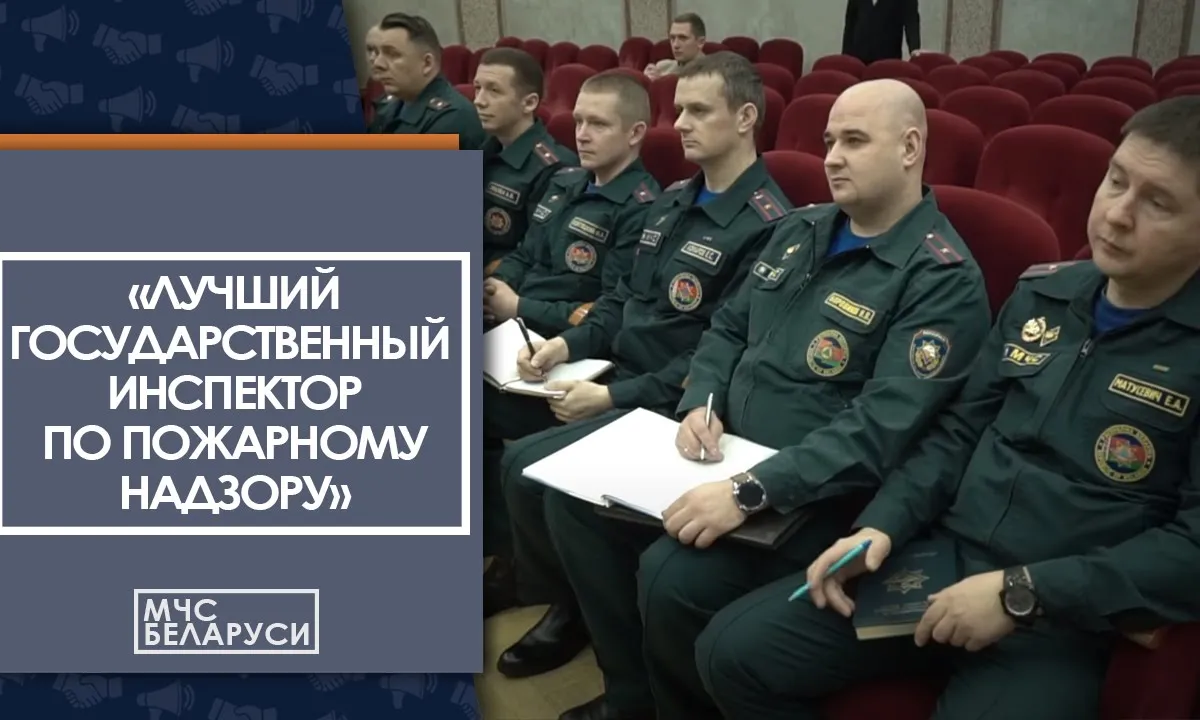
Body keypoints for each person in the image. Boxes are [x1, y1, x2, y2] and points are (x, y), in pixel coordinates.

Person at [697, 95, 1200, 720]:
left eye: (1158, 203)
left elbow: (1192, 545)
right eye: (1116, 181)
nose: (1117, 215)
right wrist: (882, 526)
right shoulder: (1045, 294)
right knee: (733, 652)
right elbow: (957, 432)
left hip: (1064, 613)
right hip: (946, 558)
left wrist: (1023, 592)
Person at [548, 78, 994, 720]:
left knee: (672, 579)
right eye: (829, 141)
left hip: (812, 493)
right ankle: (633, 697)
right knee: (575, 502)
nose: (832, 157)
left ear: (909, 148)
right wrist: (700, 400)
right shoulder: (801, 228)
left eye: (855, 141)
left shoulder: (940, 277)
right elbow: (727, 328)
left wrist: (748, 491)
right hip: (718, 450)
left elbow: (878, 431)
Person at [489, 51, 798, 709]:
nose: (678, 123)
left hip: (671, 400)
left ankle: (618, 670)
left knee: (537, 477)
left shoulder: (772, 225)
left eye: (698, 110)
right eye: (677, 109)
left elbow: (726, 351)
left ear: (746, 118)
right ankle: (575, 603)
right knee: (519, 457)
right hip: (615, 371)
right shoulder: (673, 201)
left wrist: (615, 395)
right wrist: (567, 343)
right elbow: (620, 303)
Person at [481, 71, 659, 585]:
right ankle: (497, 546)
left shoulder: (643, 208)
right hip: (516, 332)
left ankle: (518, 568)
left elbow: (610, 307)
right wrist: (498, 287)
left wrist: (522, 306)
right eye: (578, 121)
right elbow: (525, 253)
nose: (581, 133)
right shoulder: (563, 183)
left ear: (635, 133)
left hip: (578, 355)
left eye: (598, 124)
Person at [475, 47, 579, 272]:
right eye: (477, 88)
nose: (479, 101)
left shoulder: (554, 168)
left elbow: (537, 256)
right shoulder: (482, 148)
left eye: (494, 90)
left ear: (529, 103)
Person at [367, 13, 485, 150]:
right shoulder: (389, 105)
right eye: (375, 53)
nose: (378, 63)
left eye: (392, 54)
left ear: (427, 63)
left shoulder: (453, 117)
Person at [843, 0, 923, 64]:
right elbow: (850, 24)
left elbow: (911, 21)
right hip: (858, 58)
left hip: (887, 59)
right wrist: (845, 55)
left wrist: (914, 48)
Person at [645, 13, 707, 80]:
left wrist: (661, 83)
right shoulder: (662, 67)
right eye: (672, 38)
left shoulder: (711, 73)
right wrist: (644, 80)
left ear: (700, 42)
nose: (675, 45)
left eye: (683, 38)